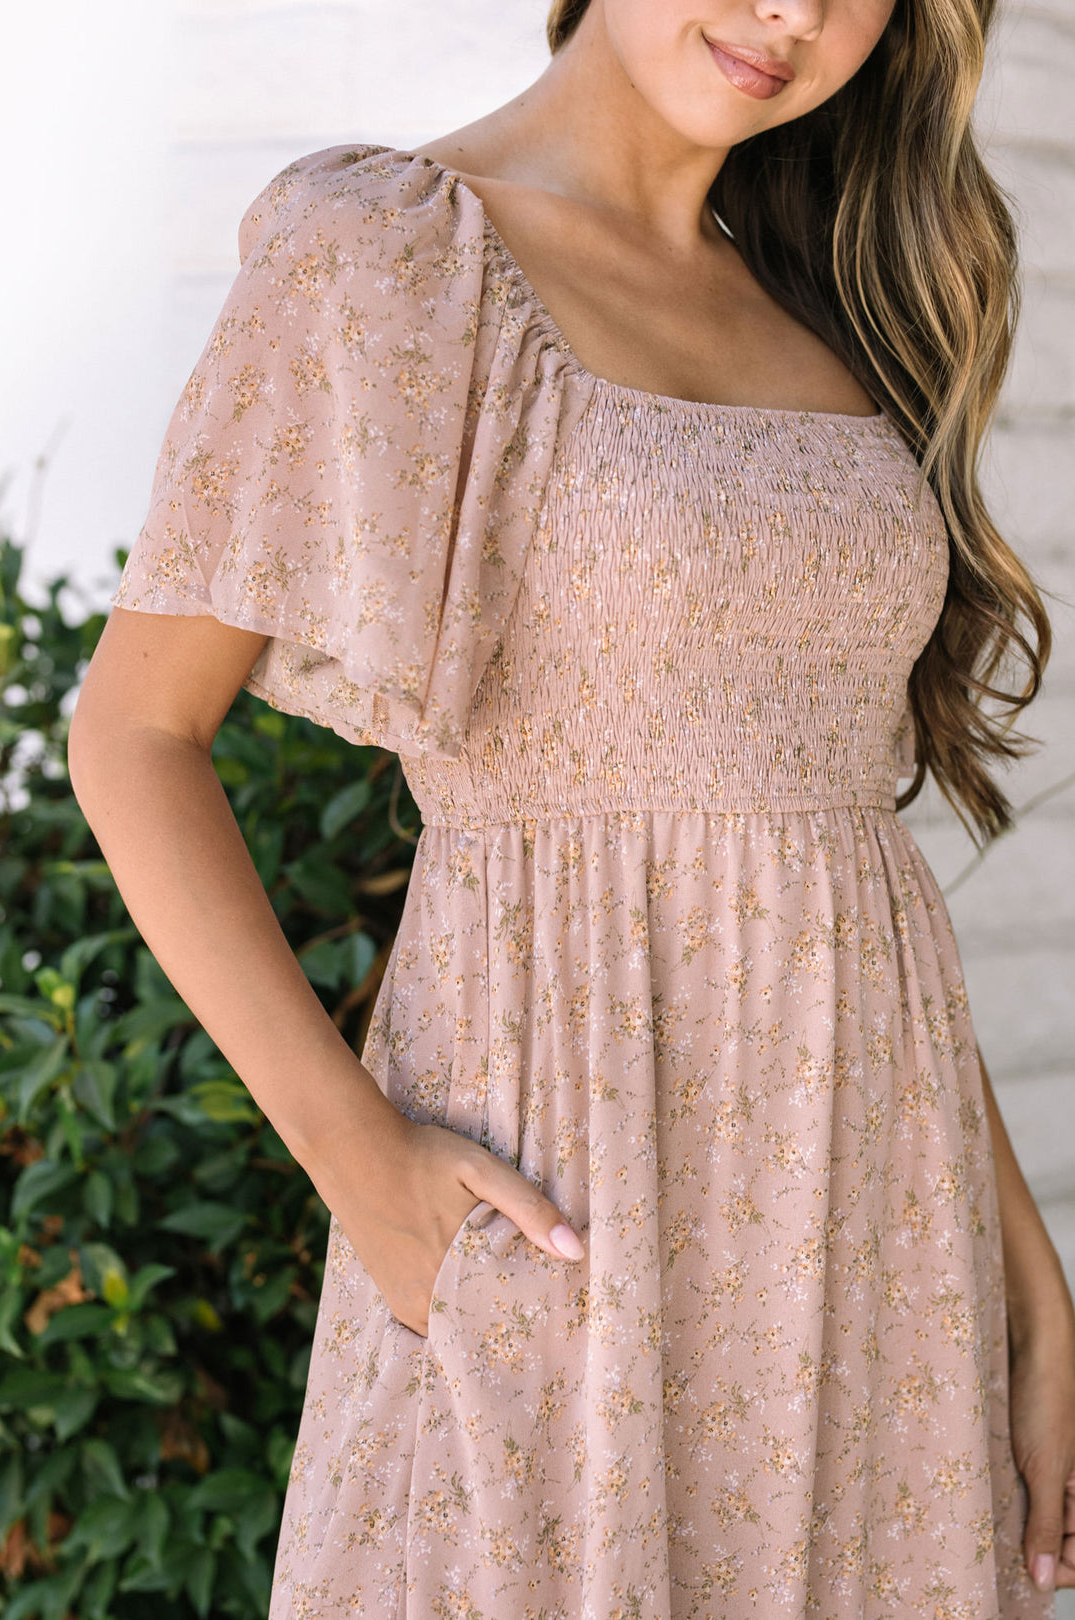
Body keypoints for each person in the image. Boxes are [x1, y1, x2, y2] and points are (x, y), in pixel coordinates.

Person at [67, 0, 1075, 1613]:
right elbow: (133, 735)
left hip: (881, 1212)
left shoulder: (833, 298)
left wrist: (1025, 1269)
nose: (795, 14)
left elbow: (839, 864)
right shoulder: (386, 253)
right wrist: (360, 1165)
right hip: (567, 1174)